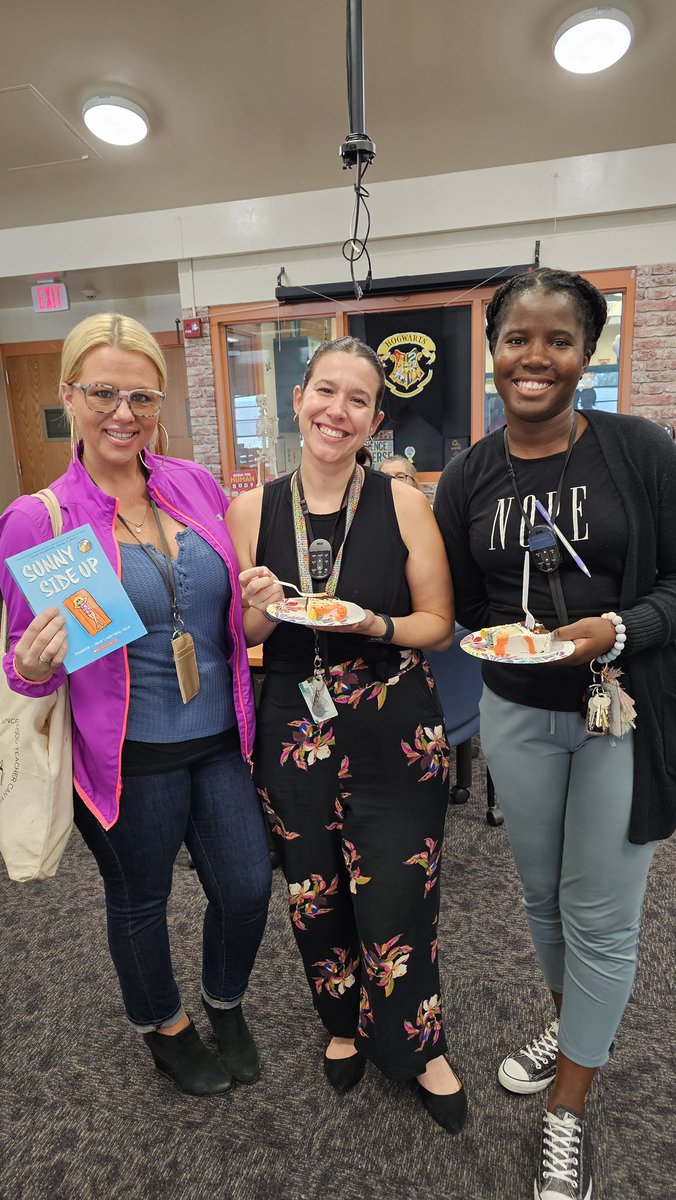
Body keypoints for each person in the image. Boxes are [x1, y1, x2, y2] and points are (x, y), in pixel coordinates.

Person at [434, 268, 676, 1199]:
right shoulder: (470, 474)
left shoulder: (639, 451)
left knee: (603, 916)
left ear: (588, 352)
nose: (535, 358)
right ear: (492, 350)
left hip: (620, 708)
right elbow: (451, 601)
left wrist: (617, 628)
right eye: (516, 339)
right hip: (516, 714)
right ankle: (575, 1024)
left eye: (558, 340)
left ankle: (568, 1107)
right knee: (540, 902)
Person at [0, 314, 272, 1097]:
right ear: (69, 396)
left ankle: (224, 998)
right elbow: (30, 673)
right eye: (104, 393)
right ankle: (165, 1022)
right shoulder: (39, 518)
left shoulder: (193, 484)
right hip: (125, 756)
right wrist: (29, 661)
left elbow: (233, 621)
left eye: (142, 397)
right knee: (141, 899)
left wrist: (257, 598)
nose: (124, 413)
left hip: (221, 735)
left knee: (248, 887)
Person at [226, 335, 467, 1133]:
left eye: (357, 400)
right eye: (325, 392)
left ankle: (419, 1044)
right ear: (299, 399)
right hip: (295, 719)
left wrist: (375, 621)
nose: (337, 411)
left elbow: (437, 624)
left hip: (393, 718)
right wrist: (257, 596)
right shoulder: (252, 508)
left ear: (374, 418)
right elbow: (251, 631)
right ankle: (340, 1023)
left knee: (401, 890)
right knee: (314, 888)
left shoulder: (402, 502)